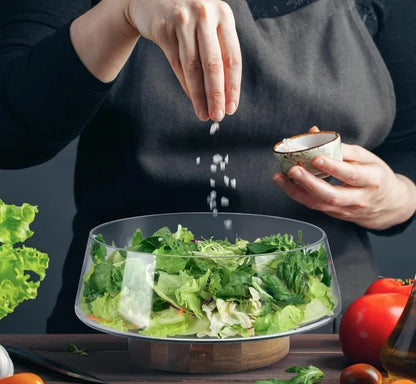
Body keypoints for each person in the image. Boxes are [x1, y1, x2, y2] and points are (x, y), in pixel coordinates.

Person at [0, 0, 415, 333]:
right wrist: (121, 13)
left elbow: (408, 150)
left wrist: (395, 197)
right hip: (126, 319)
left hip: (327, 327)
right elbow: (11, 134)